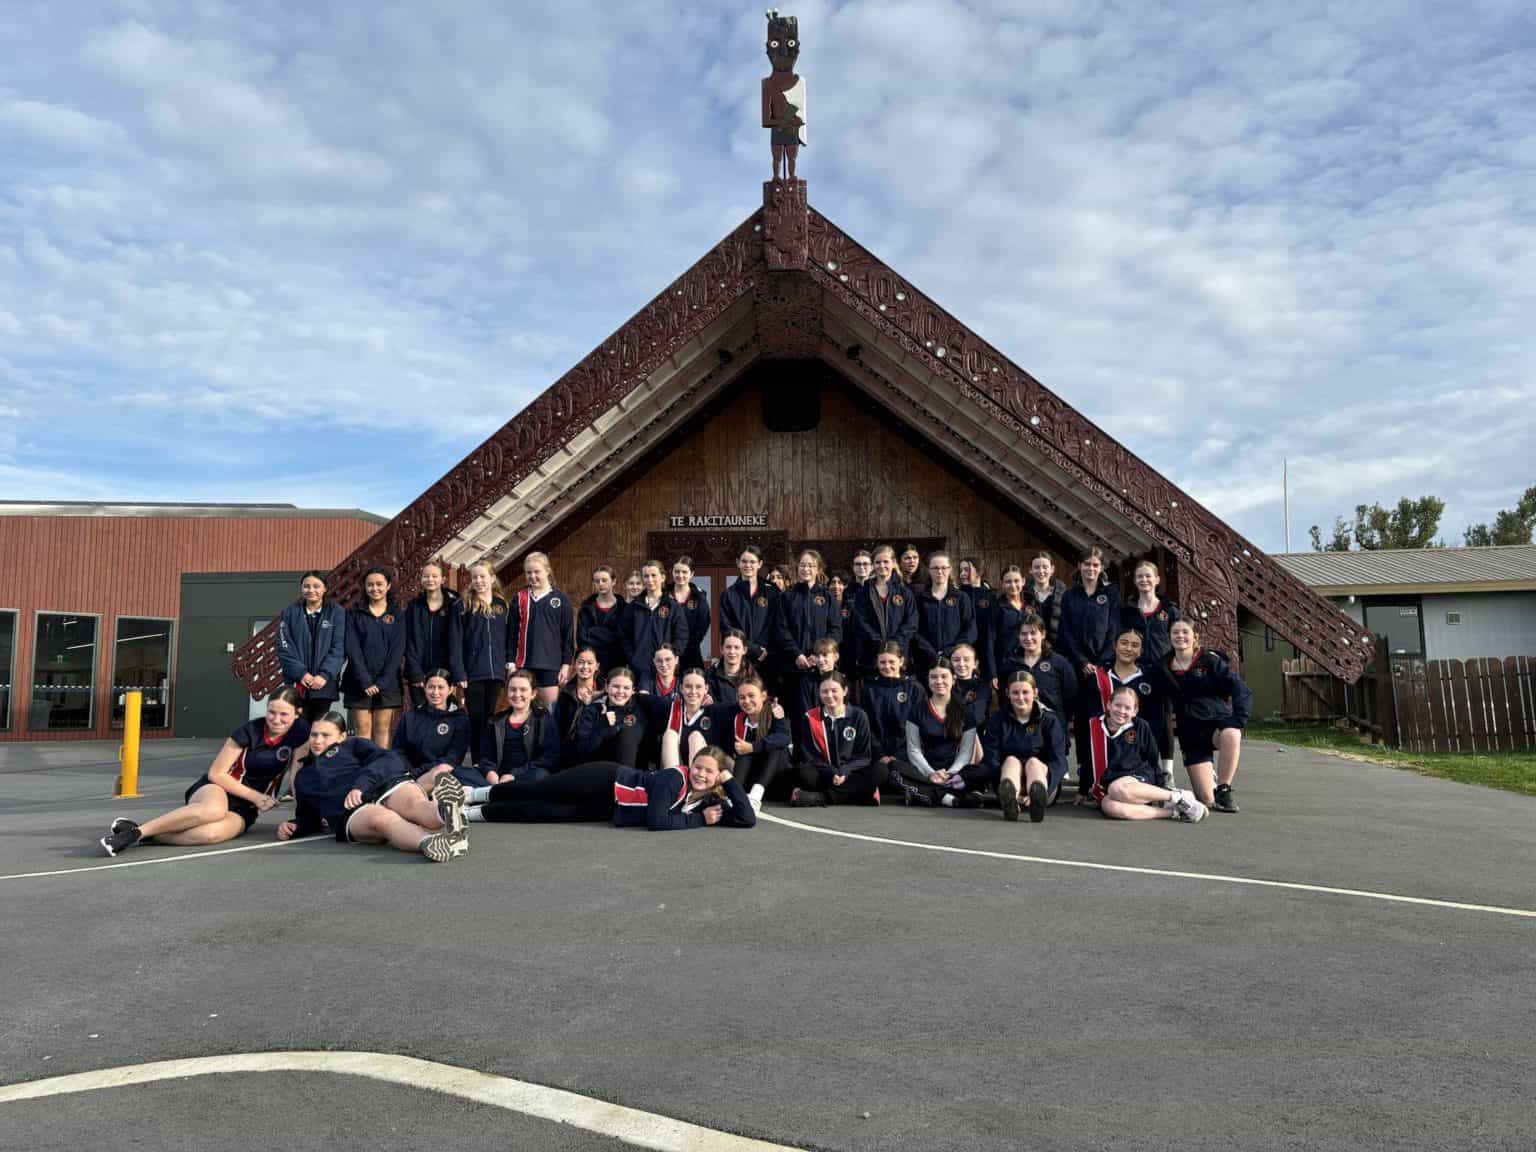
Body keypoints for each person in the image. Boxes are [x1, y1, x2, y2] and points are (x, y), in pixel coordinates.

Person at [98, 689, 310, 856]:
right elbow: (216, 773)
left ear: (297, 714)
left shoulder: (301, 732)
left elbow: (296, 775)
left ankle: (144, 833)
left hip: (246, 808)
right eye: (272, 712)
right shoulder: (249, 731)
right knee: (214, 811)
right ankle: (135, 834)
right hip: (217, 789)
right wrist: (256, 796)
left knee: (211, 834)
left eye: (284, 714)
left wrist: (300, 819)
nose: (276, 719)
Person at [276, 712, 468, 861]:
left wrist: (360, 786)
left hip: (382, 785)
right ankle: (433, 843)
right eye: (314, 735)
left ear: (342, 736)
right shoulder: (304, 778)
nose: (318, 741)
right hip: (351, 811)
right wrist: (296, 826)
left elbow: (389, 758)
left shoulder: (354, 745)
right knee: (384, 819)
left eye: (326, 735)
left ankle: (446, 812)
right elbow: (309, 817)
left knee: (414, 805)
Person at [463, 746, 755, 830]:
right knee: (539, 790)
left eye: (709, 772)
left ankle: (472, 815)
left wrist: (729, 780)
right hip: (605, 779)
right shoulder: (675, 779)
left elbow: (745, 818)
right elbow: (656, 820)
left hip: (606, 807)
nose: (700, 774)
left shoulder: (704, 802)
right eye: (698, 766)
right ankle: (472, 795)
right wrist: (699, 821)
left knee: (540, 813)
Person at [1148, 619, 1251, 813]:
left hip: (1216, 724)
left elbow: (1240, 689)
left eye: (1185, 632)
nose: (1180, 636)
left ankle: (1224, 787)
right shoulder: (1162, 667)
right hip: (1191, 733)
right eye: (1175, 632)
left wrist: (1238, 719)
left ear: (1195, 637)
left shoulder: (1209, 660)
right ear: (1169, 637)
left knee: (1232, 733)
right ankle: (1211, 785)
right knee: (1206, 800)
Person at [1085, 686, 1208, 823]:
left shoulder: (1140, 726)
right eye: (1118, 705)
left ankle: (1177, 796)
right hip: (1111, 783)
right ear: (1109, 705)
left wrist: (1161, 785)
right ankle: (1175, 812)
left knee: (1117, 788)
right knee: (1110, 807)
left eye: (1127, 708)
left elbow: (1152, 758)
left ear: (1135, 711)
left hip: (1137, 775)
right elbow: (1088, 760)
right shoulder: (1094, 726)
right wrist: (1083, 790)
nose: (1121, 711)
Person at [1057, 547, 1122, 784]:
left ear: (1101, 568)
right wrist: (1082, 661)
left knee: (1101, 718)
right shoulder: (1069, 595)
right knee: (1081, 720)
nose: (1091, 569)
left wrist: (1100, 662)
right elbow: (1065, 632)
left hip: (1103, 667)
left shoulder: (1111, 594)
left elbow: (1114, 629)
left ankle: (1102, 770)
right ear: (1079, 566)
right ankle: (1084, 771)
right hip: (1076, 666)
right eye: (1087, 564)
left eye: (1095, 565)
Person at [1082, 627, 1171, 787]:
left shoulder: (1150, 679)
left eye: (1135, 645)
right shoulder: (1098, 678)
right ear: (1114, 646)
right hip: (1104, 750)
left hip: (1135, 753)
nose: (1128, 648)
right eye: (1124, 643)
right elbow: (1089, 723)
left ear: (1141, 651)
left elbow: (1156, 723)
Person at [893, 658, 983, 808]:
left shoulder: (966, 712)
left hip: (955, 772)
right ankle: (950, 799)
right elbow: (914, 749)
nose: (939, 681)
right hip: (924, 770)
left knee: (982, 771)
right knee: (894, 769)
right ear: (928, 680)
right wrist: (930, 773)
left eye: (944, 676)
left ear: (953, 679)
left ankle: (925, 794)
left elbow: (966, 753)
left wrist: (950, 774)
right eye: (934, 677)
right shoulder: (917, 710)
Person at [982, 672, 1068, 823]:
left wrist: (1046, 790)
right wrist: (999, 784)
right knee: (1011, 760)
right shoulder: (998, 720)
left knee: (1033, 762)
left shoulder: (1049, 720)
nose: (1020, 697)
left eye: (1025, 692)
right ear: (1007, 693)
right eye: (1015, 692)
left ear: (1035, 693)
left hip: (1043, 780)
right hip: (1009, 778)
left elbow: (1059, 761)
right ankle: (1010, 800)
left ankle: (1037, 799)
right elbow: (991, 757)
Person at [452, 558, 512, 768]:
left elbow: (508, 637)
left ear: (492, 578)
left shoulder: (501, 605)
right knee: (476, 719)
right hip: (473, 672)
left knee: (490, 718)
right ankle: (477, 762)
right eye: (474, 577)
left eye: (482, 577)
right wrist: (459, 673)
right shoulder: (463, 605)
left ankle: (489, 760)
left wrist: (508, 663)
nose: (478, 581)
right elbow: (456, 641)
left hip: (495, 671)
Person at [789, 672, 878, 807]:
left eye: (834, 691)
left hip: (850, 773)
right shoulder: (810, 717)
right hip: (824, 773)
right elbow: (809, 756)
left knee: (880, 771)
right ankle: (860, 795)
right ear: (819, 693)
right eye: (824, 691)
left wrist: (845, 771)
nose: (829, 695)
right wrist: (831, 773)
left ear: (845, 691)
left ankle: (819, 798)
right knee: (803, 773)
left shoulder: (859, 716)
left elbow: (864, 756)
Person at [342, 566, 407, 747]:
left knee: (382, 730)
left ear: (388, 586)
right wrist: (365, 681)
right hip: (358, 681)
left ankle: (380, 772)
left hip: (387, 682)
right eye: (370, 584)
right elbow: (352, 649)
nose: (375, 588)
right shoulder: (354, 613)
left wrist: (382, 682)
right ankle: (364, 771)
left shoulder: (397, 614)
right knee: (362, 731)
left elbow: (397, 650)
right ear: (364, 586)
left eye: (379, 584)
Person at [774, 550, 842, 715]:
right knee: (798, 717)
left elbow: (836, 630)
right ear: (797, 568)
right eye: (802, 565)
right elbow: (781, 629)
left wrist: (818, 655)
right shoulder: (787, 597)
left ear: (818, 569)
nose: (806, 569)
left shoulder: (827, 597)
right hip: (793, 668)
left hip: (821, 669)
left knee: (824, 713)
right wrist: (797, 655)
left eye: (811, 565)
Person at [507, 551, 574, 708]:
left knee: (550, 714)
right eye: (528, 572)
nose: (532, 576)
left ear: (547, 571)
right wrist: (510, 664)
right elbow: (510, 635)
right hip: (524, 665)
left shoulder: (560, 599)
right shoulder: (519, 598)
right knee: (524, 712)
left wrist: (566, 664)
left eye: (537, 571)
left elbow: (568, 635)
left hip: (550, 666)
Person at [277, 571, 346, 723]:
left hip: (323, 684)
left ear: (325, 589)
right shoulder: (289, 613)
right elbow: (284, 648)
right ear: (301, 588)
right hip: (298, 682)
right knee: (298, 727)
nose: (311, 590)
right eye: (306, 586)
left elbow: (339, 647)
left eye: (316, 586)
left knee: (318, 727)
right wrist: (302, 674)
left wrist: (324, 675)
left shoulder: (336, 613)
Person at [719, 675, 791, 810]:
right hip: (750, 777)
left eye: (751, 696)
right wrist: (706, 701)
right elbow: (717, 708)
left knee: (775, 745)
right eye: (742, 697)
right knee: (743, 747)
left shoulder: (774, 713)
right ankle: (736, 795)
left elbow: (784, 738)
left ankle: (755, 796)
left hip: (776, 778)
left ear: (763, 696)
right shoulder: (737, 716)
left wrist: (753, 747)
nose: (746, 701)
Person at [391, 669, 471, 790]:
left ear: (450, 689)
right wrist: (408, 771)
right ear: (424, 688)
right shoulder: (410, 716)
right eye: (431, 687)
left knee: (443, 769)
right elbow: (398, 749)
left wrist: (418, 773)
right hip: (406, 774)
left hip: (437, 776)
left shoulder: (459, 719)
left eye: (440, 687)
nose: (435, 692)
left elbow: (452, 758)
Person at [850, 544, 918, 686]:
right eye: (878, 562)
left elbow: (911, 622)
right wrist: (880, 644)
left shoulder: (904, 592)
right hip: (871, 657)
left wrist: (894, 645)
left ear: (893, 563)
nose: (882, 565)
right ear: (873, 565)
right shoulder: (863, 593)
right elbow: (860, 622)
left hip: (899, 656)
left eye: (886, 561)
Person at [481, 668, 562, 785]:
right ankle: (497, 790)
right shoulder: (495, 721)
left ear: (533, 693)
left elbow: (549, 757)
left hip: (528, 774)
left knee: (541, 776)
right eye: (512, 690)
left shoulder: (543, 718)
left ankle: (492, 793)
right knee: (460, 772)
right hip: (499, 777)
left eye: (523, 690)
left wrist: (514, 775)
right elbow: (486, 757)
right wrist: (490, 772)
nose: (517, 694)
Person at [862, 642, 923, 791]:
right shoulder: (869, 688)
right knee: (879, 774)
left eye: (891, 662)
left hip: (906, 754)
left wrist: (899, 755)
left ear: (901, 661)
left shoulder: (914, 688)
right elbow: (865, 726)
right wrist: (880, 754)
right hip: (877, 756)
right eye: (882, 662)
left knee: (898, 771)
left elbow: (920, 726)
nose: (887, 666)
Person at [403, 558, 461, 711]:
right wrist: (416, 673)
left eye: (434, 576)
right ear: (421, 579)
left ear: (443, 579)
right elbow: (409, 641)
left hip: (445, 673)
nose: (430, 579)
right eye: (426, 576)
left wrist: (454, 675)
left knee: (444, 717)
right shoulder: (414, 606)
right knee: (421, 716)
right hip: (419, 673)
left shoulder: (454, 604)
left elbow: (458, 642)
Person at [997, 614, 1077, 723]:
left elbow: (1071, 698)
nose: (1028, 638)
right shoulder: (1010, 665)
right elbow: (1004, 698)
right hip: (1020, 728)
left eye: (1033, 633)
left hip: (1054, 727)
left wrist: (1059, 722)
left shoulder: (1059, 663)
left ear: (1043, 634)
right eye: (1024, 634)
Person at [912, 551, 976, 676]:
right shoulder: (919, 598)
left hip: (954, 660)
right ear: (929, 570)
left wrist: (951, 651)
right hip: (926, 660)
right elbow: (914, 629)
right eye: (935, 568)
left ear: (950, 569)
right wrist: (930, 652)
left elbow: (970, 629)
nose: (939, 572)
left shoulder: (961, 598)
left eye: (943, 568)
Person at [573, 666, 652, 767]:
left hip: (630, 771)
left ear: (633, 690)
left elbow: (645, 749)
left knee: (627, 733)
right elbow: (583, 751)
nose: (620, 691)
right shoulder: (593, 710)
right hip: (599, 768)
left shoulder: (639, 711)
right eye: (616, 686)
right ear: (606, 687)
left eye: (626, 688)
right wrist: (602, 726)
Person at [622, 560, 689, 677]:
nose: (650, 579)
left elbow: (681, 636)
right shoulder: (633, 607)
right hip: (639, 670)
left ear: (662, 577)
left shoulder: (673, 607)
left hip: (665, 669)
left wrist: (669, 659)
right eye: (646, 576)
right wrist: (633, 658)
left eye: (653, 575)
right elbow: (624, 636)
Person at [720, 546, 780, 670]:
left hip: (769, 656)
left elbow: (777, 622)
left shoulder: (772, 591)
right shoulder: (729, 594)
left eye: (752, 562)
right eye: (744, 561)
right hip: (740, 657)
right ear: (738, 563)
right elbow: (726, 627)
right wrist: (751, 648)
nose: (748, 565)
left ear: (760, 564)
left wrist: (763, 649)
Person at [1122, 559, 1181, 666]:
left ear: (1157, 580)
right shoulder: (1127, 610)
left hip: (1164, 668)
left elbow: (1179, 640)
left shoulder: (1170, 609)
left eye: (1148, 576)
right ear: (1135, 581)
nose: (1144, 579)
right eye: (1139, 576)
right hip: (1135, 668)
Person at [987, 565, 1028, 698]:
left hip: (1029, 663)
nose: (1013, 585)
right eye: (1008, 582)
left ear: (1023, 581)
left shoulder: (1031, 604)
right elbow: (989, 640)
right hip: (1005, 665)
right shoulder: (997, 607)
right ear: (1002, 584)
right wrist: (993, 673)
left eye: (1016, 581)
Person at [557, 646, 604, 755]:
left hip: (597, 749)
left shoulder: (605, 691)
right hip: (570, 749)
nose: (585, 666)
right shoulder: (565, 692)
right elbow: (559, 727)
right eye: (581, 662)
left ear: (597, 666)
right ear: (575, 665)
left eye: (590, 663)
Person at [577, 565, 625, 673]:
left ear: (613, 581)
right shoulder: (586, 608)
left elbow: (621, 638)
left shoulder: (624, 608)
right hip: (591, 664)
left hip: (617, 663)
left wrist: (594, 632)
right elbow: (582, 639)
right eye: (597, 581)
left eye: (604, 580)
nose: (600, 584)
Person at [669, 556, 712, 670]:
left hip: (691, 652)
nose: (680, 575)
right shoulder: (663, 595)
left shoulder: (699, 597)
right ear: (672, 572)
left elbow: (703, 625)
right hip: (666, 652)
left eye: (684, 572)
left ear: (692, 574)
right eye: (677, 571)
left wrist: (682, 648)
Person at [957, 558, 995, 681]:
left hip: (985, 649)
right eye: (960, 570)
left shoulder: (990, 595)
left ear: (978, 572)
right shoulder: (957, 595)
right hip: (963, 648)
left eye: (966, 570)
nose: (962, 574)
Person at [1022, 552, 1068, 651]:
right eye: (1037, 567)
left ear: (1052, 569)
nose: (1041, 571)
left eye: (1045, 567)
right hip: (1029, 649)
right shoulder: (1023, 594)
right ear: (1030, 570)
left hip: (1058, 650)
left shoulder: (1064, 594)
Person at [948, 643, 991, 730]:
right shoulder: (944, 686)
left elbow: (975, 717)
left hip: (975, 739)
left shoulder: (982, 688)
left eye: (966, 660)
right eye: (956, 660)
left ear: (975, 664)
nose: (961, 664)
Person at [705, 629, 751, 706]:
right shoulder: (710, 676)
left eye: (736, 647)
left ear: (744, 650)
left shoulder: (752, 675)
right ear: (721, 649)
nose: (732, 652)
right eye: (728, 647)